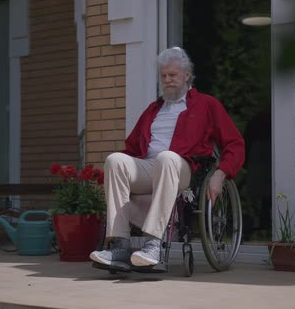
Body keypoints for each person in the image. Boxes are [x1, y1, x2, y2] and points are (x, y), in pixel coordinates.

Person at [89, 46, 245, 268]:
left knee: (167, 158)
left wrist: (221, 173)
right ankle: (119, 246)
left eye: (173, 75)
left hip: (183, 169)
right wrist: (113, 176)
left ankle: (154, 244)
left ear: (187, 75)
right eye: (164, 76)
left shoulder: (206, 105)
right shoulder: (154, 109)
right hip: (150, 167)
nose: (168, 80)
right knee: (115, 160)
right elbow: (132, 148)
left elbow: (235, 143)